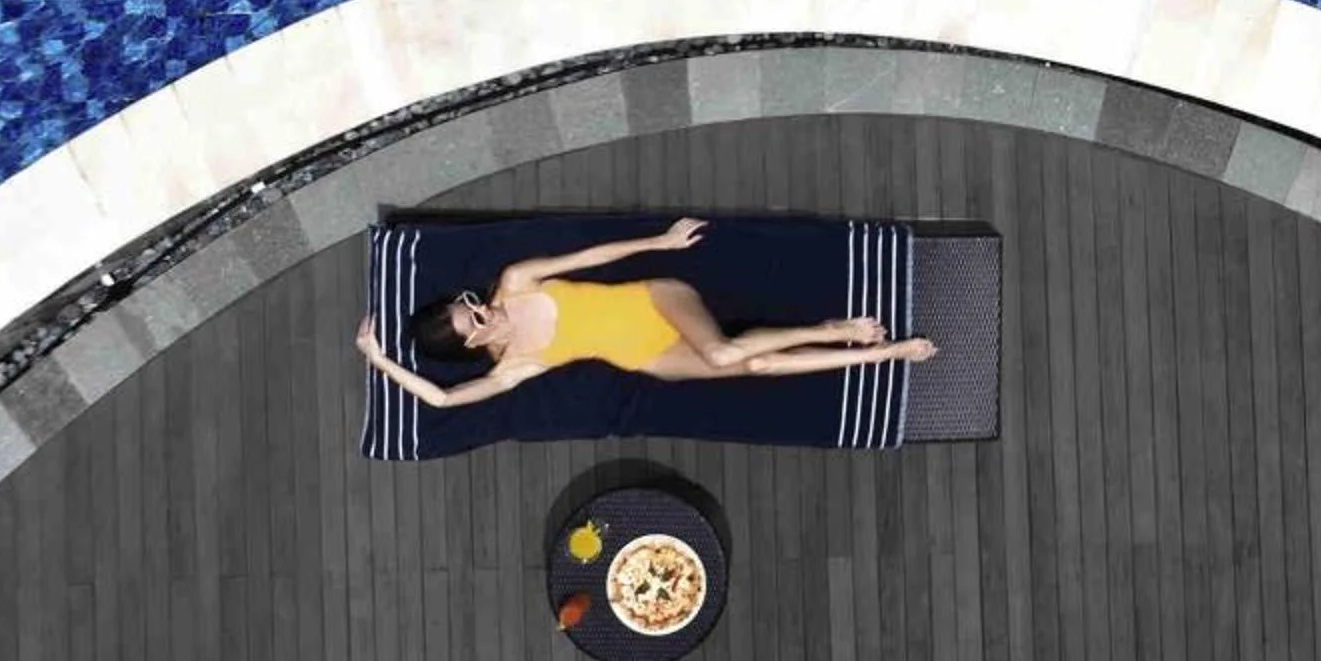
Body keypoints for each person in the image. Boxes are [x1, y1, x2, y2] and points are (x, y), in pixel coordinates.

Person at [352, 216, 935, 410]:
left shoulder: (515, 282)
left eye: (470, 304)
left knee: (725, 351)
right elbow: (445, 400)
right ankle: (883, 356)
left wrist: (659, 241)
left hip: (657, 299)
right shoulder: (515, 365)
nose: (484, 313)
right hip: (650, 356)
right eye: (474, 324)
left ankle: (841, 331)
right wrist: (379, 360)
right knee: (752, 368)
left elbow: (588, 256)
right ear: (473, 346)